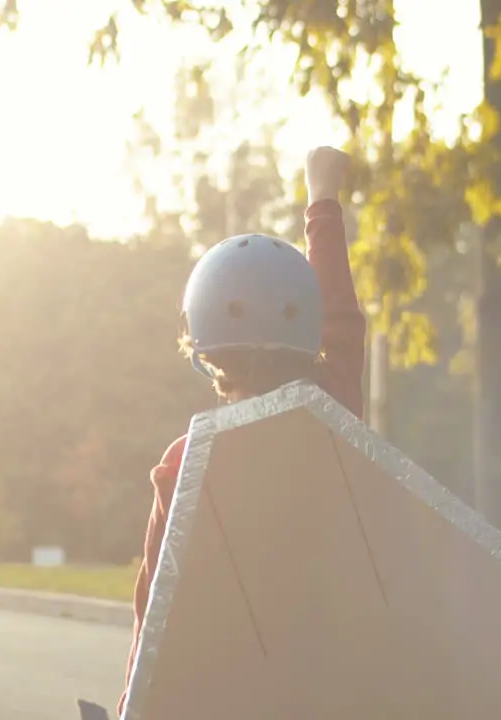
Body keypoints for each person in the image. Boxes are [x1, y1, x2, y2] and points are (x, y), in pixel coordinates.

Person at [117, 145, 367, 716]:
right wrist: (321, 197)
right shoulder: (331, 421)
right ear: (309, 341)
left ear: (200, 346)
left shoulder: (185, 463)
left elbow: (152, 621)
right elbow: (340, 319)